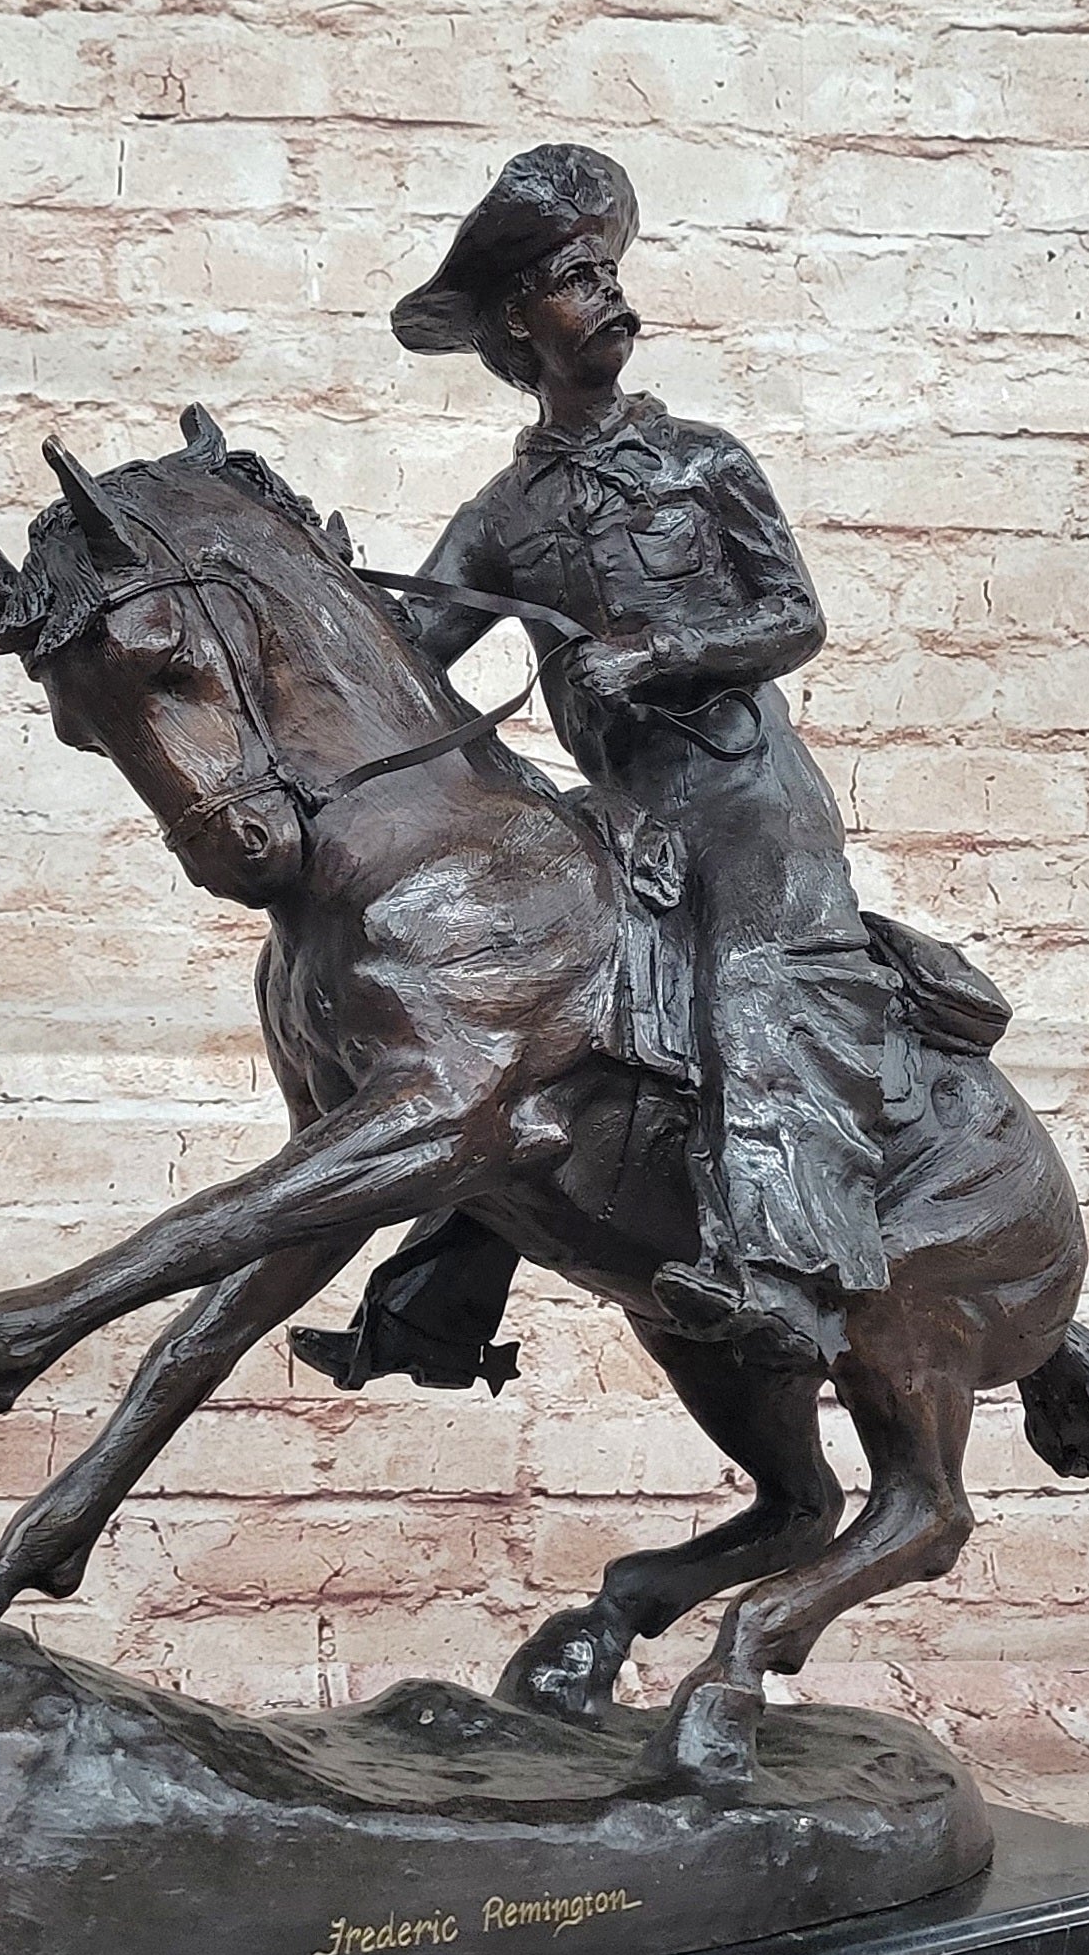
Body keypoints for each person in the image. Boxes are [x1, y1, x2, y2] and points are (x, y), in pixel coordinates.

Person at [296, 144, 898, 1383]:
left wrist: (664, 651)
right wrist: (327, 600)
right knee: (502, 996)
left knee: (753, 978)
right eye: (577, 280)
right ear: (520, 324)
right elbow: (412, 658)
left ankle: (782, 1269)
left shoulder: (704, 460)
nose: (610, 294)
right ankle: (436, 1307)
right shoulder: (501, 516)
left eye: (608, 273)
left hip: (743, 798)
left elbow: (793, 616)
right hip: (617, 810)